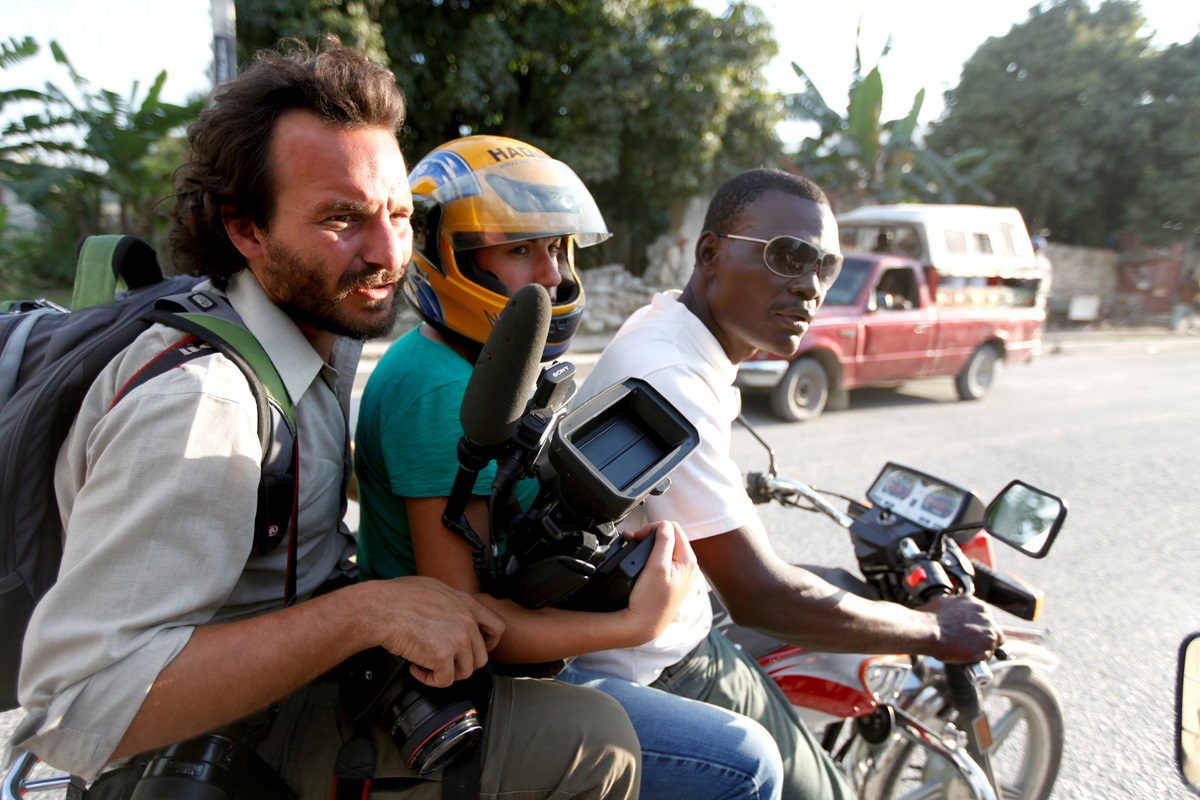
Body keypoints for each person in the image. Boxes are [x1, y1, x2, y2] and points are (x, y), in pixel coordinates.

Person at [8, 40, 641, 800]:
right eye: (342, 218)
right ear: (246, 230)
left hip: (290, 669)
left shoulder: (319, 333)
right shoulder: (201, 405)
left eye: (399, 214)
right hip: (196, 744)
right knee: (596, 742)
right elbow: (75, 709)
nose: (387, 253)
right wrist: (364, 612)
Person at [355, 135, 784, 800]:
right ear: (449, 256)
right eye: (521, 249)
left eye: (557, 249)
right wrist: (636, 625)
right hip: (473, 686)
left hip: (520, 637)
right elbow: (465, 626)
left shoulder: (479, 364)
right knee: (744, 762)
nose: (552, 275)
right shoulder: (439, 390)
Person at [570, 168, 1006, 800]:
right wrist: (936, 631)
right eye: (786, 257)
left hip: (665, 627)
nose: (809, 286)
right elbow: (763, 597)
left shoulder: (669, 328)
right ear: (711, 254)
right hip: (661, 665)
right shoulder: (671, 377)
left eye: (825, 266)